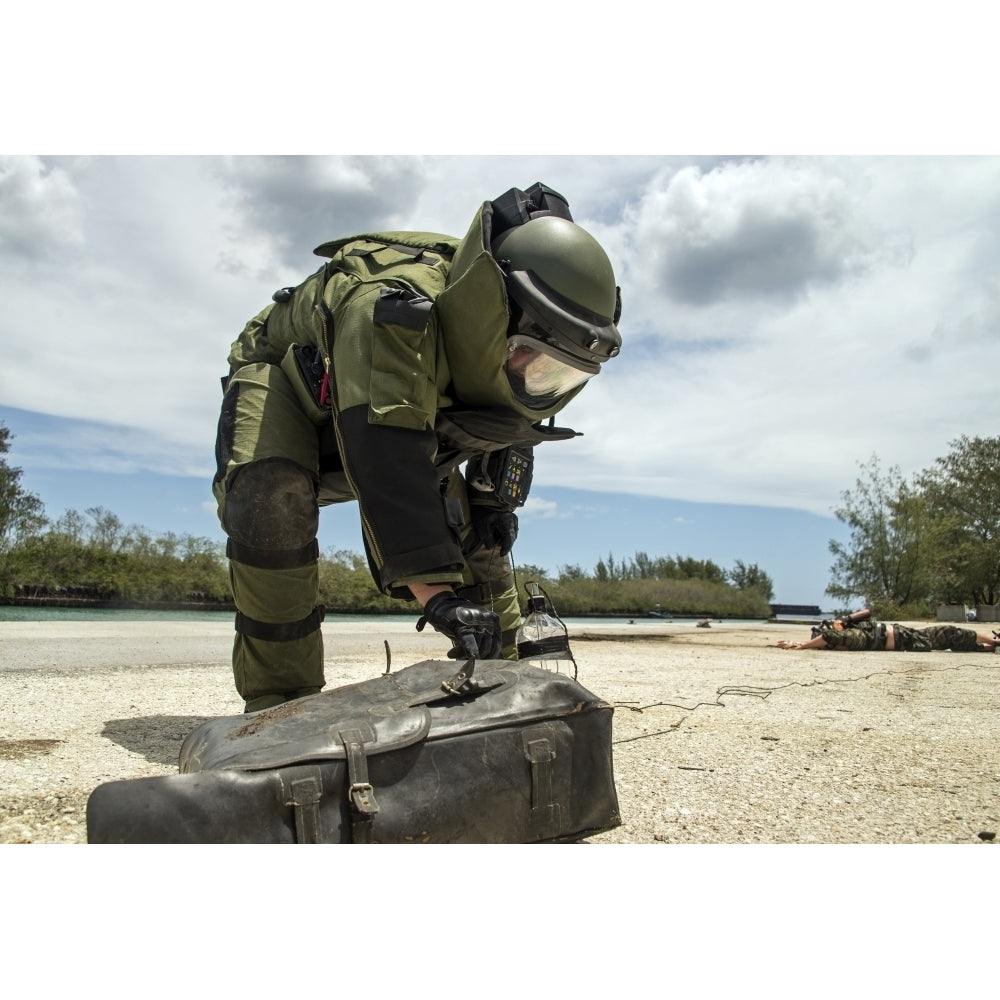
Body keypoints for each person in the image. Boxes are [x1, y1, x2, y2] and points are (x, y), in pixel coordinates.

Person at [213, 182, 623, 712]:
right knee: (272, 494)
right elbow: (386, 452)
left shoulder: (499, 347)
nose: (539, 380)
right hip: (297, 393)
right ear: (494, 316)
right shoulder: (390, 307)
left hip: (409, 410)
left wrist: (494, 504)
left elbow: (506, 424)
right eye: (532, 359)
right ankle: (281, 703)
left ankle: (502, 680)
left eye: (557, 372)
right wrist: (440, 598)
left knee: (479, 518)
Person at [776, 609, 1000, 652]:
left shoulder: (852, 632)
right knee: (952, 633)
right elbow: (828, 636)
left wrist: (846, 620)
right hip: (908, 639)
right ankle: (995, 642)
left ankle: (991, 646)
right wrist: (803, 646)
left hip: (906, 637)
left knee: (955, 641)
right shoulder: (854, 638)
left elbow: (866, 612)